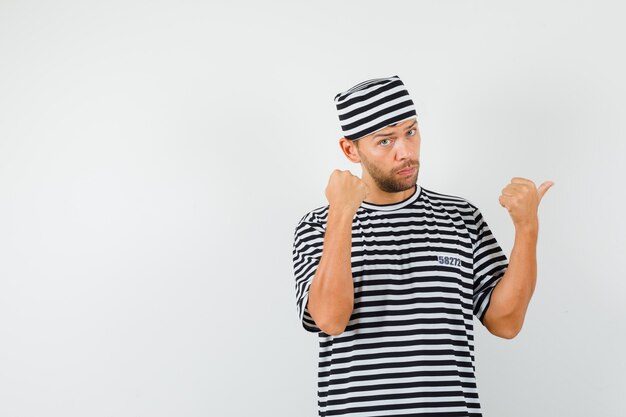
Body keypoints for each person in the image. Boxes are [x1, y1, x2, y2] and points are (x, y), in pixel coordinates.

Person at [291, 75, 554, 416]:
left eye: (410, 133)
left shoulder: (461, 216)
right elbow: (329, 320)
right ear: (350, 150)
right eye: (385, 141)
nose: (405, 152)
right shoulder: (317, 225)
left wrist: (527, 227)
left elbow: (506, 322)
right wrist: (342, 214)